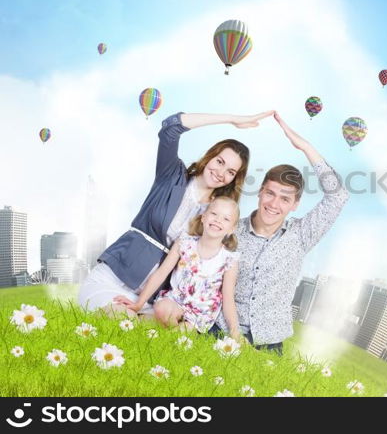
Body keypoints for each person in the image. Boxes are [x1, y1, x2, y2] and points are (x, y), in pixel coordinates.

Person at [78, 110, 274, 317]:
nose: (221, 173)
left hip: (153, 297)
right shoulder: (172, 176)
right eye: (220, 162)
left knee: (150, 333)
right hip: (116, 275)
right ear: (209, 157)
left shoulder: (215, 213)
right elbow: (169, 129)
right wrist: (232, 118)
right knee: (121, 319)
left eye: (231, 172)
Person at [209, 112, 349, 355]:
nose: (274, 204)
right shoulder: (230, 229)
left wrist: (304, 147)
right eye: (270, 193)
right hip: (219, 330)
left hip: (269, 343)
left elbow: (338, 196)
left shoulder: (302, 235)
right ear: (260, 192)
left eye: (285, 199)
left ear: (295, 204)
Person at [113, 197, 241, 337]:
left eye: (226, 219)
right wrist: (139, 303)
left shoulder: (229, 260)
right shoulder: (184, 243)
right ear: (203, 217)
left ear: (232, 229)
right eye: (214, 214)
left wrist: (235, 330)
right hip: (175, 302)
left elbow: (228, 299)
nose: (218, 220)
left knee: (185, 332)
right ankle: (156, 325)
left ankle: (164, 332)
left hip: (198, 317)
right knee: (161, 308)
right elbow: (161, 273)